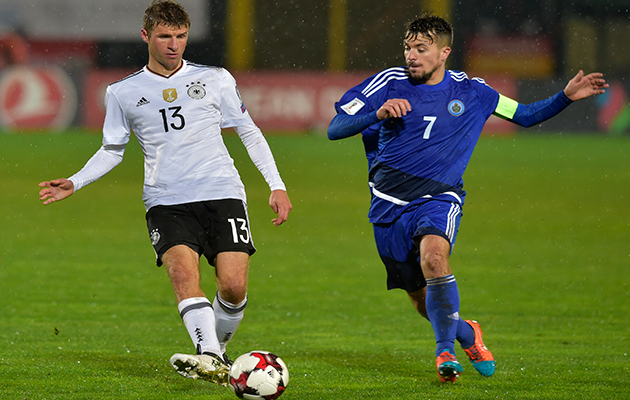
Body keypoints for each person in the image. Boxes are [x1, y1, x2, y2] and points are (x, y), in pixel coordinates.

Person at [327, 13, 607, 383]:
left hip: (439, 197)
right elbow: (335, 129)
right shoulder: (388, 83)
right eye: (408, 47)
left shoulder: (473, 92)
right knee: (422, 301)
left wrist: (566, 98)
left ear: (444, 52)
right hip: (387, 203)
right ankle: (467, 334)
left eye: (421, 49)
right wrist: (376, 113)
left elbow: (522, 115)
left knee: (434, 256)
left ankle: (445, 352)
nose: (411, 55)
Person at [38, 0, 292, 387]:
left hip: (221, 191)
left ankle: (217, 355)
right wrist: (76, 180)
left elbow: (248, 130)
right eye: (165, 36)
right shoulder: (123, 92)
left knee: (234, 287)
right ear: (146, 36)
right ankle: (208, 355)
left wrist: (276, 184)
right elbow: (112, 149)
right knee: (182, 275)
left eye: (181, 36)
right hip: (166, 199)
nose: (174, 45)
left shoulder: (215, 78)